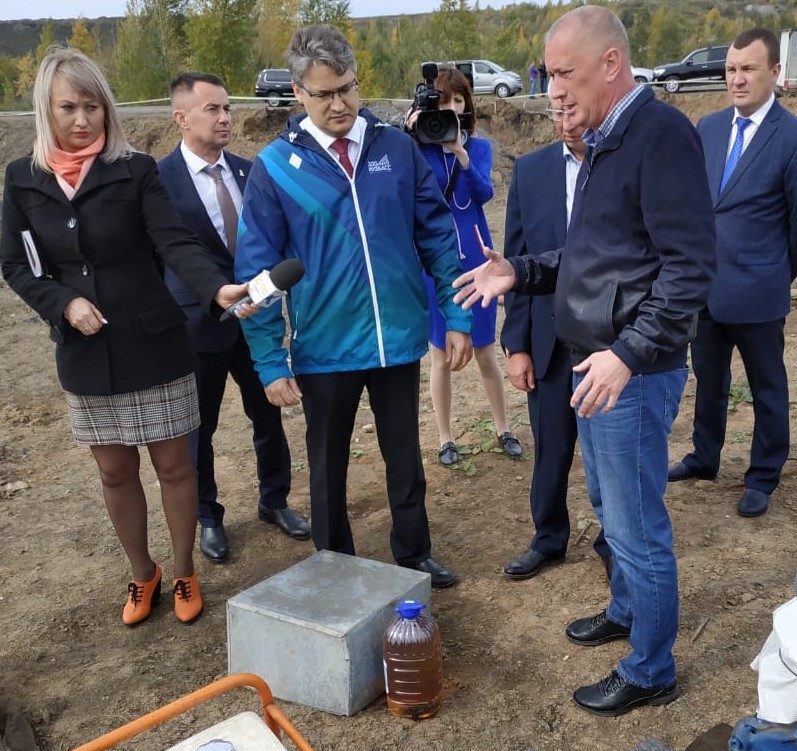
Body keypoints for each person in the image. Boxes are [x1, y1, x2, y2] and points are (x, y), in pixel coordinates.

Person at [454, 6, 716, 716]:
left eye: (565, 73)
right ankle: (629, 609)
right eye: (548, 74)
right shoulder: (606, 138)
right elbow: (600, 255)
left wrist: (627, 355)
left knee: (636, 522)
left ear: (611, 64)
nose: (554, 89)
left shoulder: (658, 135)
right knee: (607, 503)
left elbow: (689, 269)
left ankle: (651, 667)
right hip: (593, 363)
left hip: (630, 370)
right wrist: (525, 273)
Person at [0, 48, 254, 627]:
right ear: (46, 108)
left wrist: (215, 289)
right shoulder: (22, 179)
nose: (83, 120)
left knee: (174, 467)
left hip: (156, 346)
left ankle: (185, 568)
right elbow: (16, 265)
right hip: (86, 354)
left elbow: (175, 242)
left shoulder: (134, 169)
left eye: (93, 106)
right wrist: (63, 304)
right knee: (114, 472)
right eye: (69, 107)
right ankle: (144, 574)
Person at [235, 25, 473, 589]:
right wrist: (270, 361)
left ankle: (413, 553)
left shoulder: (395, 147)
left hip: (396, 337)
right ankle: (334, 563)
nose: (339, 103)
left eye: (347, 88)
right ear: (297, 92)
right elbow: (258, 275)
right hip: (325, 346)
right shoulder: (273, 169)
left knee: (404, 457)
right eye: (323, 94)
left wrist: (458, 315)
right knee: (326, 468)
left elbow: (438, 235)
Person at [668, 28, 797, 519]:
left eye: (748, 69)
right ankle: (705, 456)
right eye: (731, 70)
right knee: (707, 378)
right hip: (706, 292)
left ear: (774, 73)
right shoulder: (708, 129)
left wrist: (776, 272)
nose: (736, 79)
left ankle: (762, 475)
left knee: (766, 387)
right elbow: (696, 205)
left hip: (759, 293)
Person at [159, 72, 310, 565]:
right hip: (196, 329)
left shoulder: (251, 172)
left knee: (268, 415)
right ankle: (208, 516)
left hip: (257, 322)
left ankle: (275, 500)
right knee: (198, 432)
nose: (225, 117)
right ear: (181, 117)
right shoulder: (158, 182)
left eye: (226, 108)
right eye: (212, 110)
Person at [500, 107, 610, 581]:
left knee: (609, 455)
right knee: (551, 447)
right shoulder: (530, 170)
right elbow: (516, 262)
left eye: (573, 109)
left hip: (608, 345)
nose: (566, 122)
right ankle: (549, 537)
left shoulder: (621, 164)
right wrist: (516, 345)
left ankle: (615, 542)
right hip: (547, 341)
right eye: (555, 111)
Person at [407, 66, 522, 468]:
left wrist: (461, 154)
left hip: (477, 257)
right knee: (440, 354)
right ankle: (445, 437)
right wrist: (409, 134)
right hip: (435, 263)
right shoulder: (416, 148)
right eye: (444, 101)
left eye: (459, 100)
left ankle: (503, 427)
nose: (452, 108)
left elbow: (484, 193)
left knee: (486, 350)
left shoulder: (480, 147)